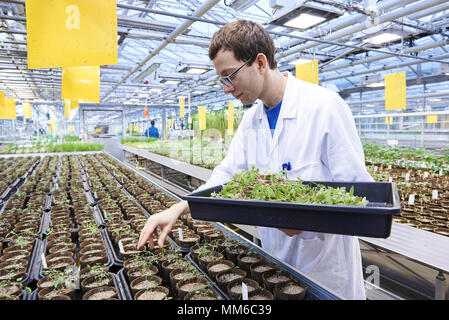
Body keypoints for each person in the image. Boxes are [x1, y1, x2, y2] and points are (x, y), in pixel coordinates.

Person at [137, 20, 373, 300]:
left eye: (230, 75)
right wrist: (177, 209)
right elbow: (226, 175)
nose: (226, 88)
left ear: (260, 62)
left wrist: (308, 221)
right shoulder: (252, 119)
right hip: (274, 267)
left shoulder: (325, 107)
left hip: (325, 272)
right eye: (221, 79)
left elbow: (358, 196)